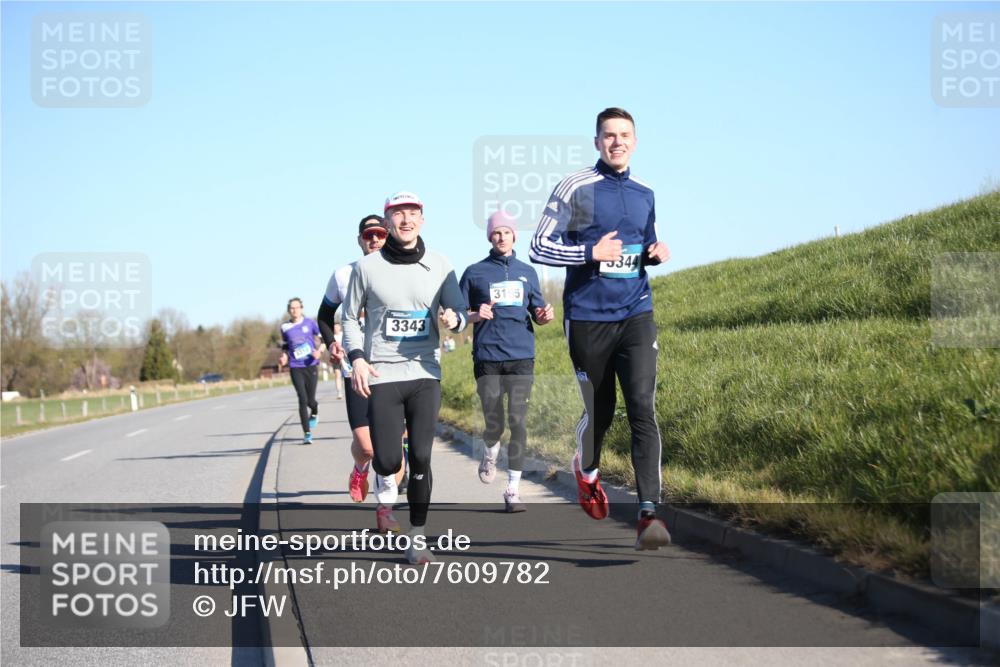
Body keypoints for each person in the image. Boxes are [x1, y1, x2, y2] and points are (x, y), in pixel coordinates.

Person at [528, 107, 672, 550]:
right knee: (602, 410)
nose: (617, 142)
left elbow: (640, 244)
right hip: (588, 317)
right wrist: (591, 251)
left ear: (635, 140)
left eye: (624, 135)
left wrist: (653, 253)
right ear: (596, 142)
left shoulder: (646, 192)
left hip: (635, 312)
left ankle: (649, 515)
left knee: (642, 407)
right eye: (608, 136)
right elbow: (539, 244)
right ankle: (586, 469)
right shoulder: (576, 187)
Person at [342, 191, 468, 565]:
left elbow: (459, 308)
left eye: (413, 213)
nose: (406, 219)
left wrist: (454, 320)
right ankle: (377, 474)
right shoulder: (367, 268)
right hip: (382, 374)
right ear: (388, 221)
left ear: (422, 220)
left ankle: (417, 536)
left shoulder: (441, 263)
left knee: (423, 457)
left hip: (425, 373)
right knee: (386, 459)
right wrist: (358, 358)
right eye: (399, 214)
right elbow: (348, 318)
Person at [459, 210, 554, 513]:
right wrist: (475, 314)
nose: (501, 237)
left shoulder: (528, 271)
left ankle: (513, 488)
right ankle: (490, 450)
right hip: (487, 355)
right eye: (496, 233)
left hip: (521, 355)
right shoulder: (475, 272)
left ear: (515, 235)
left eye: (506, 232)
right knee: (494, 422)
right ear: (489, 237)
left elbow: (538, 313)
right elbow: (457, 318)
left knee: (518, 421)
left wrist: (544, 316)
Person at [317, 215, 406, 502]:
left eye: (380, 234)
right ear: (360, 240)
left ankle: (385, 512)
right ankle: (360, 469)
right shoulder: (344, 275)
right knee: (367, 447)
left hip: (393, 368)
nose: (375, 240)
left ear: (388, 237)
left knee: (393, 446)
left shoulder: (402, 271)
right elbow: (324, 315)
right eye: (369, 235)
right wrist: (332, 343)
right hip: (355, 369)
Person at [279, 298, 323, 445]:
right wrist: (284, 357)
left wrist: (319, 351)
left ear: (301, 308)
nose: (294, 310)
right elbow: (285, 345)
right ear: (288, 310)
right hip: (295, 366)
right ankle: (307, 433)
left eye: (297, 307)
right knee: (302, 399)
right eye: (291, 308)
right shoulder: (285, 327)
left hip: (310, 365)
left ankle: (315, 410)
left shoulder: (310, 323)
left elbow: (323, 339)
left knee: (311, 400)